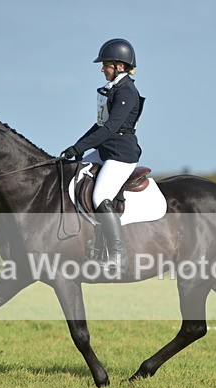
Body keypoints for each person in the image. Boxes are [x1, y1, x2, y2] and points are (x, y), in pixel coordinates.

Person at [61, 38, 145, 273]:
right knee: (71, 176)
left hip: (121, 155)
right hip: (105, 151)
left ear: (119, 65)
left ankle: (119, 255)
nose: (102, 68)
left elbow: (110, 129)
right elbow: (100, 125)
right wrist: (76, 147)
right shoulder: (113, 89)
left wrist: (81, 148)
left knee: (100, 196)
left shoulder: (127, 91)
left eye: (106, 64)